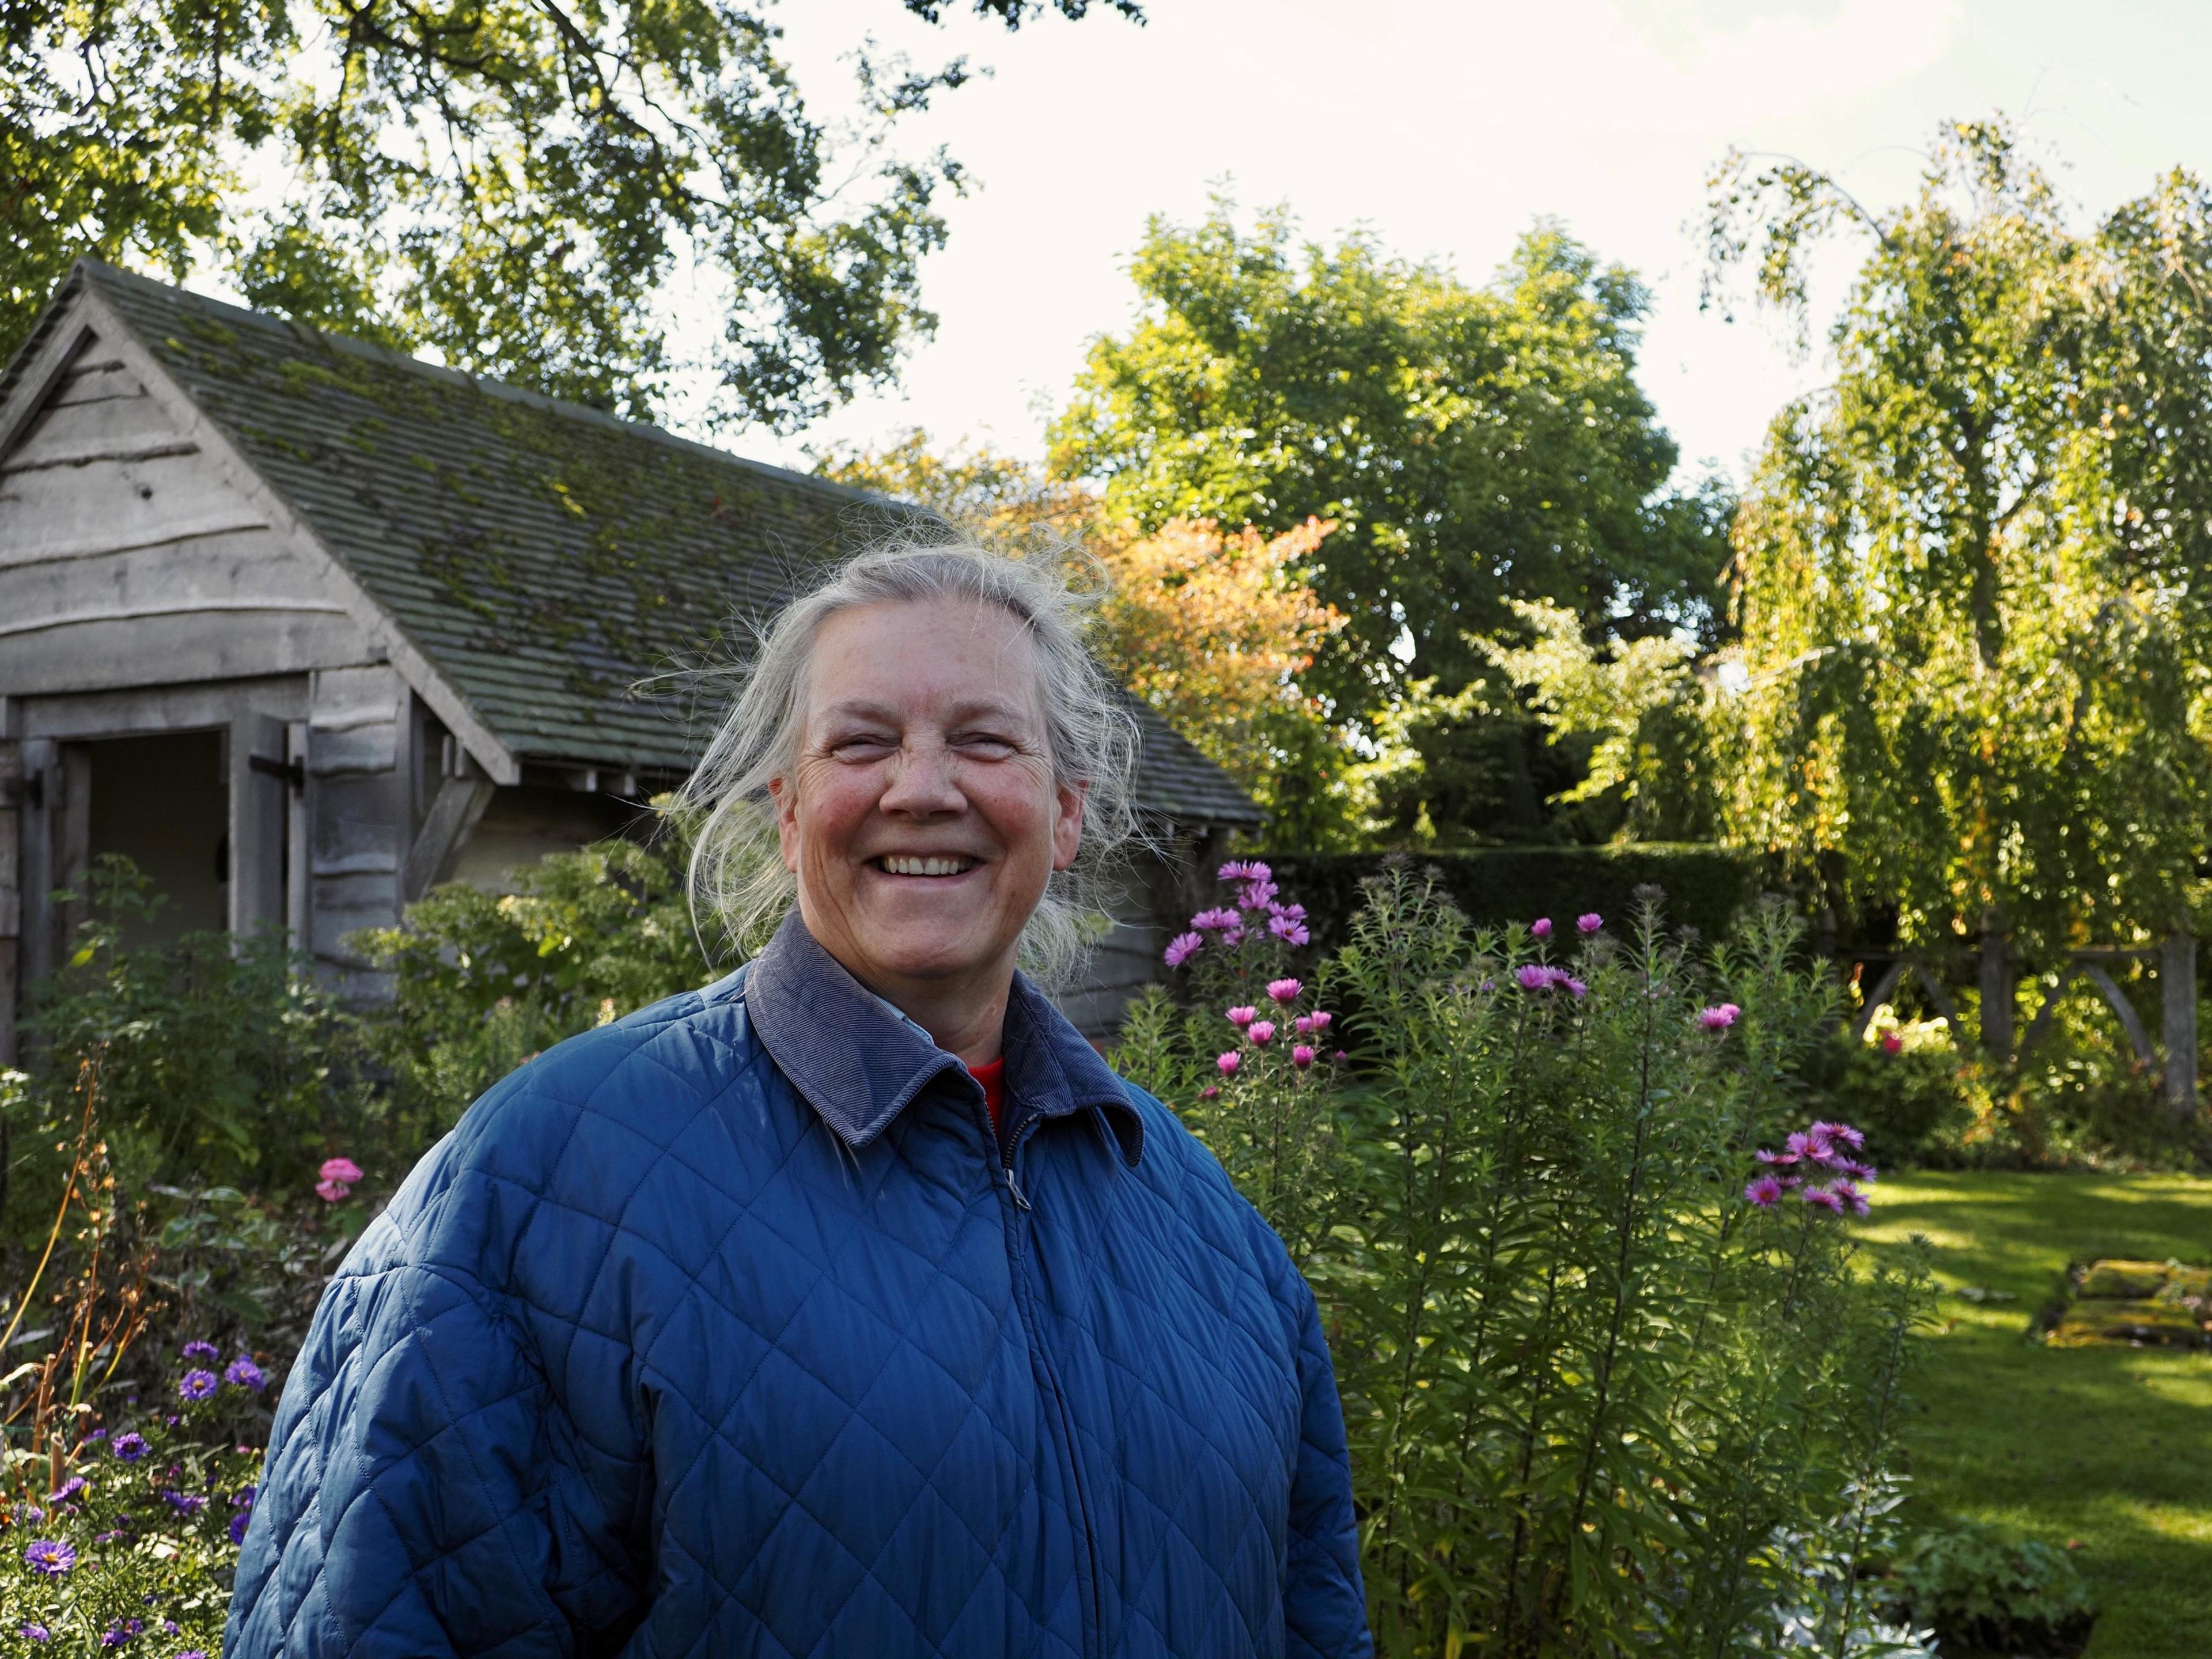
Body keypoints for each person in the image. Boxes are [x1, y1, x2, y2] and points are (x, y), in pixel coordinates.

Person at [225, 538, 1370, 1658]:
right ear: (788, 810)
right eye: (861, 743)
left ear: (1066, 812)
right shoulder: (541, 1182)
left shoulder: (1202, 1222)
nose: (923, 788)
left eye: (984, 739)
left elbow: (1313, 1614)